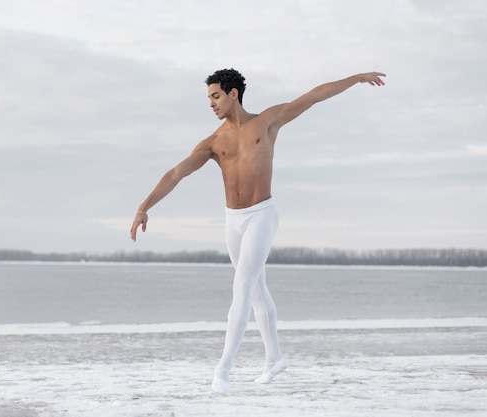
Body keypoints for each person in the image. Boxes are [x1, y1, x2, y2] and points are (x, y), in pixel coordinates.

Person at [130, 69, 386, 393]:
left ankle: (222, 370)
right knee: (255, 290)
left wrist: (357, 78)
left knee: (243, 284)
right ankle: (274, 358)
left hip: (261, 215)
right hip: (232, 221)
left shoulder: (267, 121)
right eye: (209, 97)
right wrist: (144, 206)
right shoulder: (213, 142)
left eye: (215, 96)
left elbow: (314, 95)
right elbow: (177, 172)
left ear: (233, 94)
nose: (211, 103)